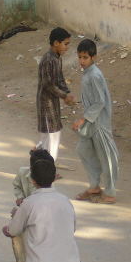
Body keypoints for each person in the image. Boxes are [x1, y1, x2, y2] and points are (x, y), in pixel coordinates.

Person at [71, 38, 119, 204]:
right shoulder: (87, 74)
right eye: (80, 57)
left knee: (107, 156)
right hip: (91, 122)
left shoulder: (95, 75)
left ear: (93, 57)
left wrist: (83, 119)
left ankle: (111, 192)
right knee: (83, 150)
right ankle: (94, 186)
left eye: (85, 57)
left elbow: (100, 102)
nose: (82, 61)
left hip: (99, 123)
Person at [36, 27, 76, 162]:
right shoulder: (48, 60)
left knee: (50, 135)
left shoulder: (57, 58)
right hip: (46, 103)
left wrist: (67, 93)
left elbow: (59, 79)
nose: (67, 47)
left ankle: (41, 164)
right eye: (65, 44)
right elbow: (48, 84)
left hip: (53, 102)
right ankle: (46, 167)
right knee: (51, 136)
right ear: (55, 43)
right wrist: (64, 96)